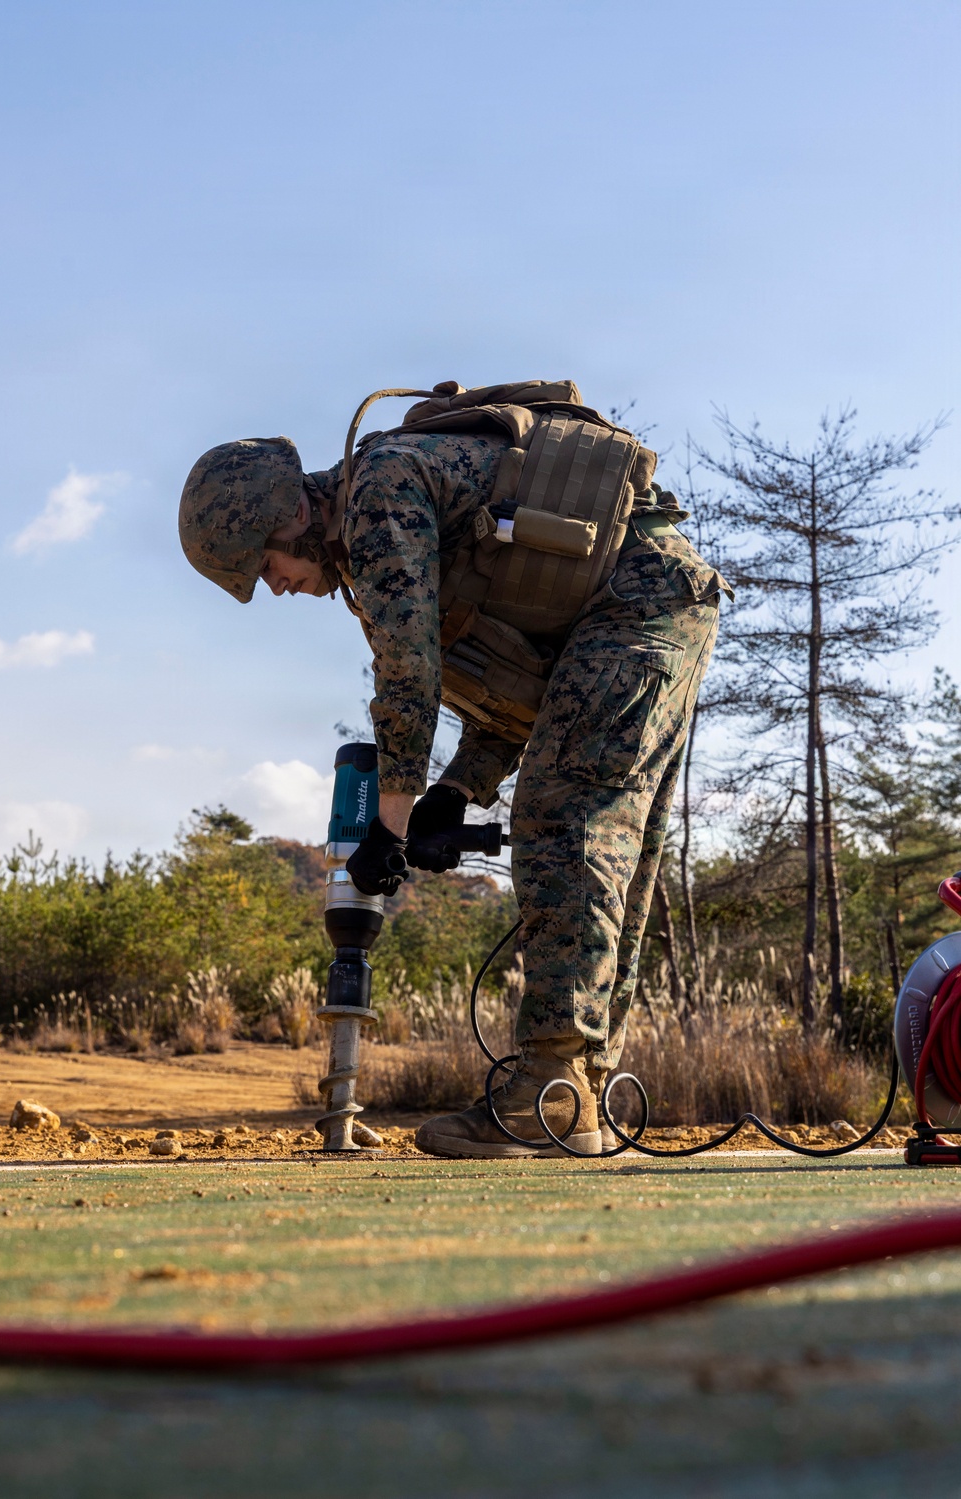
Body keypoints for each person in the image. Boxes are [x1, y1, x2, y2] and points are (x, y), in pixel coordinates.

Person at [178, 385, 730, 1158]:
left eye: (262, 565)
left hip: (637, 599)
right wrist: (454, 790)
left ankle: (551, 1088)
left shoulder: (377, 494)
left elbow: (407, 672)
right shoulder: (381, 509)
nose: (273, 586)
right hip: (650, 600)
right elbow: (513, 680)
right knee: (603, 832)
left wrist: (392, 822)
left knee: (566, 815)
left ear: (291, 515)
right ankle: (581, 1094)